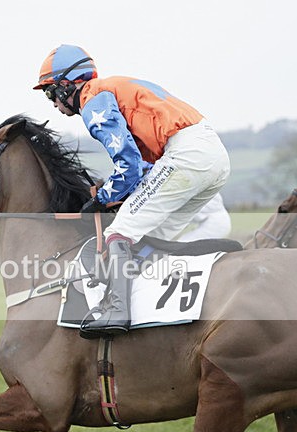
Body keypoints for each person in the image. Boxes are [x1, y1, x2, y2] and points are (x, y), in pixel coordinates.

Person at [34, 44, 231, 338]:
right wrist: (118, 193)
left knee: (119, 232)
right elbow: (142, 168)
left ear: (67, 85)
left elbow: (128, 164)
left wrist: (102, 199)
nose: (53, 104)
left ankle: (117, 310)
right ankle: (154, 313)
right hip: (212, 158)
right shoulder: (111, 90)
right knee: (153, 237)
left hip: (187, 155)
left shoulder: (93, 99)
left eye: (51, 93)